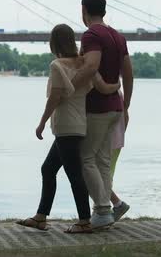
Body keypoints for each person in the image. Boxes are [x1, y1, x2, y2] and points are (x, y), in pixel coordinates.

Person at [16, 24, 120, 234]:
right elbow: (102, 87)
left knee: (74, 175)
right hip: (78, 125)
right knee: (48, 169)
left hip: (64, 125)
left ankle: (83, 221)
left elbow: (55, 97)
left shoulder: (57, 65)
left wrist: (42, 122)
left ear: (54, 43)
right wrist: (117, 87)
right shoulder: (84, 63)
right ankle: (40, 217)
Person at [72, 0, 134, 230]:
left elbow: (91, 66)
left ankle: (101, 210)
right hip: (115, 108)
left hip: (97, 107)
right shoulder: (118, 37)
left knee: (85, 157)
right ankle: (107, 209)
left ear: (84, 10)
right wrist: (126, 105)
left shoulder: (91, 35)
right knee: (103, 162)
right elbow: (128, 73)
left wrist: (68, 89)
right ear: (104, 11)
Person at [109, 90, 130, 221]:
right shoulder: (118, 92)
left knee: (96, 176)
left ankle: (117, 204)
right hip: (117, 140)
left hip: (107, 141)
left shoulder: (107, 90)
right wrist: (121, 134)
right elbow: (126, 117)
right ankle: (101, 212)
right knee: (106, 175)